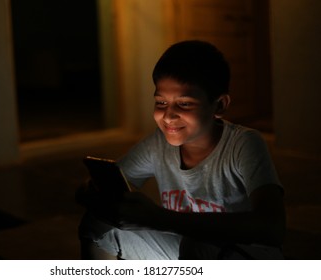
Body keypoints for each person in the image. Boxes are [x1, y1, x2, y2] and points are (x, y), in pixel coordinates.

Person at [76, 40, 286, 259]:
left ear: (220, 105)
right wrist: (93, 194)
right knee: (98, 225)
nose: (168, 116)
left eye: (184, 104)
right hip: (187, 248)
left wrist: (158, 218)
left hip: (245, 255)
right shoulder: (158, 145)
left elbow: (272, 228)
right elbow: (104, 183)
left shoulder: (243, 144)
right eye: (161, 103)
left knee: (197, 246)